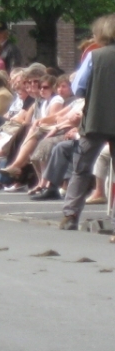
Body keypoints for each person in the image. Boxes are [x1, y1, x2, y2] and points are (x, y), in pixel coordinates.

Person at [60, 14, 115, 236]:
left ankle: (70, 214)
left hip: (95, 119)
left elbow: (78, 87)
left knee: (81, 168)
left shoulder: (94, 56)